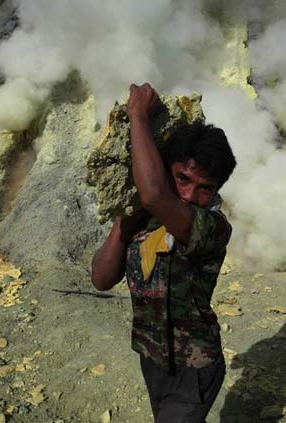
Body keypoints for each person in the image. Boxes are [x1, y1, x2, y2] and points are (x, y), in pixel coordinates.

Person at [91, 83, 237, 422]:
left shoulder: (212, 227)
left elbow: (155, 194)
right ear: (167, 168)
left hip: (195, 366)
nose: (188, 195)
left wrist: (138, 115)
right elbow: (101, 278)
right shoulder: (144, 224)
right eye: (182, 179)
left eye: (205, 188)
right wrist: (123, 225)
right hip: (152, 359)